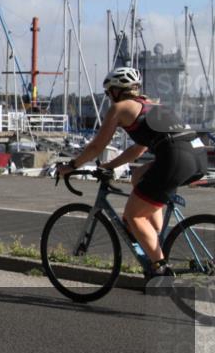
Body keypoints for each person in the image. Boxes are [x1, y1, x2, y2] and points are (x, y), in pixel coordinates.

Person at [57, 67, 207, 278]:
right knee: (138, 177)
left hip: (175, 157)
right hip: (197, 154)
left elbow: (96, 146)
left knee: (133, 216)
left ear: (117, 91)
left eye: (109, 92)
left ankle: (159, 269)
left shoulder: (120, 108)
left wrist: (72, 166)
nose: (109, 97)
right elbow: (138, 149)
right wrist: (108, 166)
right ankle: (154, 238)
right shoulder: (151, 105)